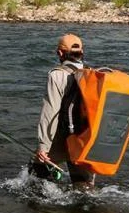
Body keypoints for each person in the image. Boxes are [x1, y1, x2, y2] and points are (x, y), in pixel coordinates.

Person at [30, 33, 95, 189]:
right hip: (85, 138)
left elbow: (50, 112)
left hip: (61, 137)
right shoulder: (93, 75)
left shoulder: (57, 75)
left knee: (36, 179)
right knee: (83, 188)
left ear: (60, 53)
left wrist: (43, 147)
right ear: (82, 52)